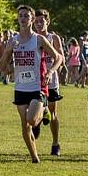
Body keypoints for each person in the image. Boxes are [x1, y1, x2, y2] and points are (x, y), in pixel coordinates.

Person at [0, 5, 63, 164]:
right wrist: (8, 53)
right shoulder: (13, 41)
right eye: (20, 15)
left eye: (26, 15)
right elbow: (3, 67)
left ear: (32, 19)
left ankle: (44, 110)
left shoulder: (39, 39)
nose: (23, 18)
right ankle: (35, 157)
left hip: (37, 86)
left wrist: (50, 72)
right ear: (17, 18)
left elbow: (58, 58)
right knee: (25, 124)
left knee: (32, 120)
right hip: (20, 87)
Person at [34, 9, 66, 156]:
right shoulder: (31, 38)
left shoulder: (54, 38)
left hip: (50, 80)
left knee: (53, 114)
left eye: (42, 20)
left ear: (48, 22)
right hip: (34, 80)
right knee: (36, 108)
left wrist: (52, 70)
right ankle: (39, 117)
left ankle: (55, 143)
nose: (39, 23)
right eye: (37, 21)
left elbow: (61, 58)